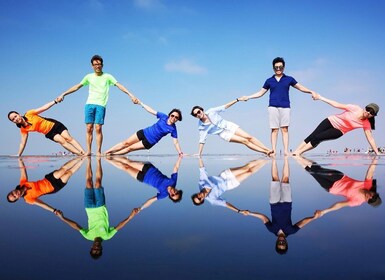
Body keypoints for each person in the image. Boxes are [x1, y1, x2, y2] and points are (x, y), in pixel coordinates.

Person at [54, 157, 139, 259]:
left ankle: (88, 161)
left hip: (88, 207)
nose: (96, 247)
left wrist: (62, 218)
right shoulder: (107, 236)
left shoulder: (88, 236)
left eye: (94, 249)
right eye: (98, 249)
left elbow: (76, 226)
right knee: (98, 183)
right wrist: (131, 217)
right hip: (100, 206)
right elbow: (119, 226)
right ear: (101, 248)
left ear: (91, 247)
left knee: (89, 182)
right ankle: (98, 161)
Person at [56, 55, 139, 156]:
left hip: (101, 105)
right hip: (89, 104)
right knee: (89, 128)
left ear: (102, 65)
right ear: (92, 66)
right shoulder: (88, 77)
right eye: (95, 64)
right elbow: (77, 86)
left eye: (99, 64)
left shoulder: (108, 76)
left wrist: (131, 95)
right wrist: (63, 94)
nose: (97, 66)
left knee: (98, 128)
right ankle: (88, 151)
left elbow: (119, 85)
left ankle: (98, 151)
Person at [239, 157, 320, 254]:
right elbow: (303, 222)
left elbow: (263, 218)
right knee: (285, 179)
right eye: (283, 243)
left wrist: (250, 213)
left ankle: (273, 158)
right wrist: (314, 218)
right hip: (287, 202)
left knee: (275, 179)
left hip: (274, 202)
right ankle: (286, 158)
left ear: (276, 242)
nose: (281, 241)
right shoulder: (291, 231)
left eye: (279, 243)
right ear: (286, 243)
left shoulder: (271, 229)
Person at [239, 57, 317, 156]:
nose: (278, 69)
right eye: (276, 67)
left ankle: (285, 151)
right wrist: (248, 97)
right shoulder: (269, 80)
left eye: (280, 67)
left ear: (283, 67)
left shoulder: (289, 79)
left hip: (285, 106)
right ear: (273, 68)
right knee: (274, 129)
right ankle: (274, 151)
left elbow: (300, 87)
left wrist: (311, 91)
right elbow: (260, 93)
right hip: (273, 107)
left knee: (285, 129)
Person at [292, 94, 381, 155]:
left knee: (319, 138)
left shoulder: (366, 124)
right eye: (368, 109)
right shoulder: (355, 108)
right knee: (312, 136)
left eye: (371, 113)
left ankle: (299, 152)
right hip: (330, 121)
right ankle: (295, 152)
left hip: (339, 131)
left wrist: (376, 152)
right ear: (365, 108)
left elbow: (370, 139)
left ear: (373, 115)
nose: (368, 112)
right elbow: (337, 104)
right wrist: (321, 98)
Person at [295, 156, 381, 212]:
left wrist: (324, 211)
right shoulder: (368, 185)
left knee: (312, 171)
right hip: (339, 177)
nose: (370, 196)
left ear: (368, 202)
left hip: (330, 188)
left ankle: (298, 157)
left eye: (371, 200)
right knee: (317, 170)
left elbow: (339, 205)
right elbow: (370, 172)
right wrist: (375, 160)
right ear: (375, 193)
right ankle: (297, 156)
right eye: (374, 196)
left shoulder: (357, 201)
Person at [190, 99, 272, 157]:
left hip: (228, 125)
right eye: (195, 114)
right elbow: (202, 140)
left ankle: (267, 149)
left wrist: (237, 100)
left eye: (198, 112)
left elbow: (225, 106)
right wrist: (199, 153)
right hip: (223, 134)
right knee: (244, 141)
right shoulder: (201, 126)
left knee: (249, 137)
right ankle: (265, 152)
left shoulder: (211, 111)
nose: (198, 114)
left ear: (202, 110)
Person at [8, 100, 85, 156]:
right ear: (13, 122)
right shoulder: (23, 129)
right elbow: (23, 143)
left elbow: (44, 108)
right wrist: (18, 154)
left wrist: (55, 101)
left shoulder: (29, 113)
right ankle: (79, 154)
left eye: (15, 116)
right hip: (49, 133)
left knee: (68, 138)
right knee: (62, 141)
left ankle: (84, 152)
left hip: (54, 124)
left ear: (19, 114)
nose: (16, 119)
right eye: (13, 119)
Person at [104, 100, 183, 155]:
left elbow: (175, 142)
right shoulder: (163, 116)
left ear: (177, 120)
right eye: (172, 115)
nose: (174, 118)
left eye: (176, 117)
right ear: (169, 115)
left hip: (149, 141)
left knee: (129, 148)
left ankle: (112, 155)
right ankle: (107, 152)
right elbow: (151, 110)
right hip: (144, 132)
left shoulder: (173, 129)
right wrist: (141, 103)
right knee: (126, 143)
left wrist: (180, 152)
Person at [7, 157, 84, 212]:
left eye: (12, 193)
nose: (14, 194)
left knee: (62, 170)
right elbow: (42, 204)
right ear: (17, 198)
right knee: (69, 173)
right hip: (54, 187)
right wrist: (53, 210)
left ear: (12, 190)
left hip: (48, 179)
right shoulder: (28, 199)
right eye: (14, 197)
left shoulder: (22, 183)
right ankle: (83, 160)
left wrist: (19, 160)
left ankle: (80, 157)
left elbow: (22, 170)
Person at [191, 158, 268, 209]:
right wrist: (238, 210)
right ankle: (266, 161)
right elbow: (226, 204)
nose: (200, 197)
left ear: (197, 194)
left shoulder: (201, 183)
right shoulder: (212, 200)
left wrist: (199, 157)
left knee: (246, 168)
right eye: (200, 199)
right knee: (249, 172)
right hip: (229, 184)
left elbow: (202, 169)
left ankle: (265, 158)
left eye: (197, 197)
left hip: (224, 176)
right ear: (202, 200)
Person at [106, 156, 183, 206]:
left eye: (173, 195)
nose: (173, 193)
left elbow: (151, 200)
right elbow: (176, 168)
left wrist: (141, 208)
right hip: (148, 169)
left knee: (125, 168)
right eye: (176, 193)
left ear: (170, 196)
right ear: (177, 190)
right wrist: (180, 158)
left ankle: (108, 160)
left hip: (143, 178)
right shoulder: (173, 181)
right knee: (128, 162)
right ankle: (112, 156)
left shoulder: (164, 194)